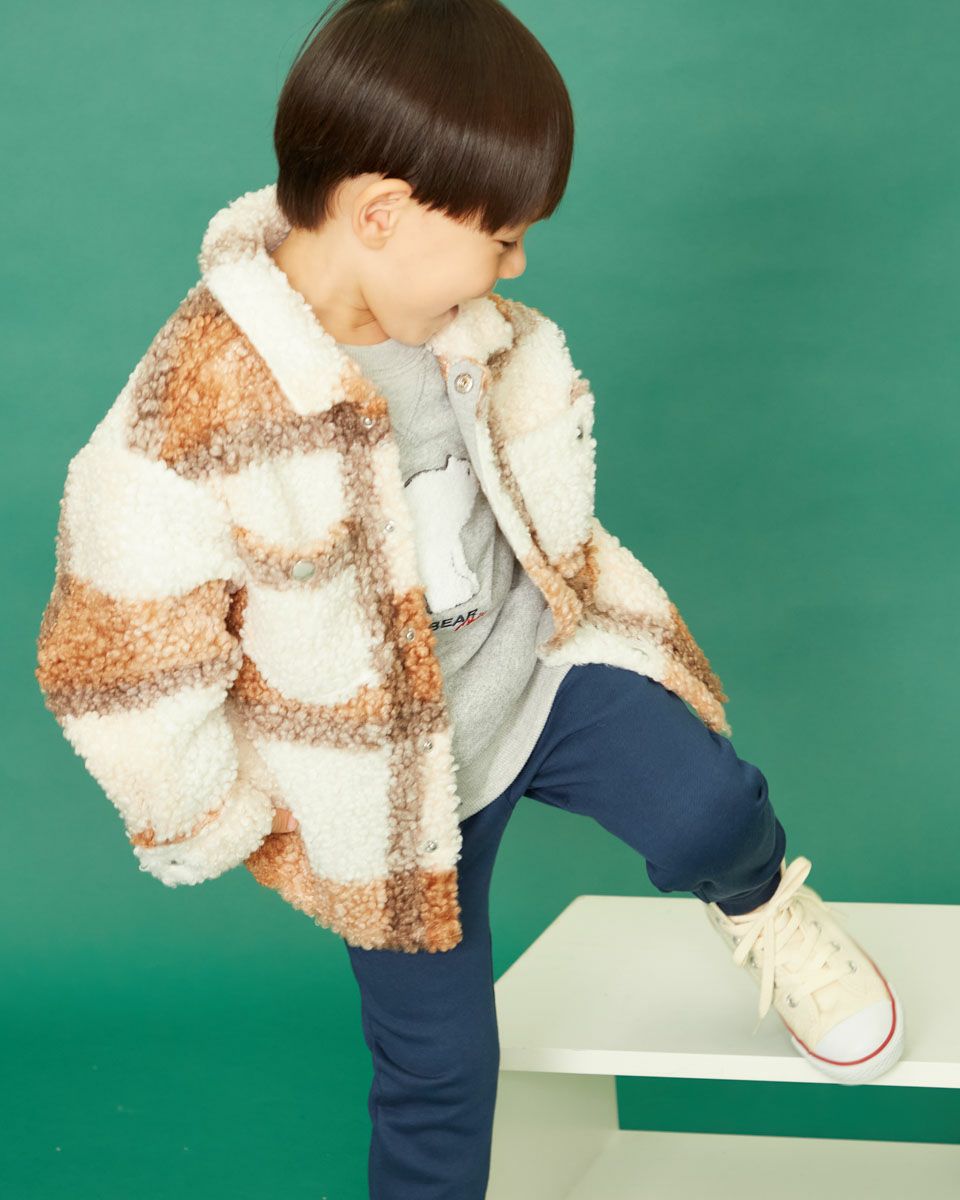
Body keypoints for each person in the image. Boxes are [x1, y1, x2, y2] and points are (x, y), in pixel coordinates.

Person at [35, 2, 904, 1197]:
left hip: (536, 673)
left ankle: (763, 909)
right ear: (382, 213)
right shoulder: (191, 410)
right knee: (437, 1074)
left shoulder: (467, 329)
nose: (519, 265)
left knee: (710, 805)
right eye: (502, 236)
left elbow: (529, 466)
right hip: (385, 795)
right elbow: (114, 655)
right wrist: (223, 813)